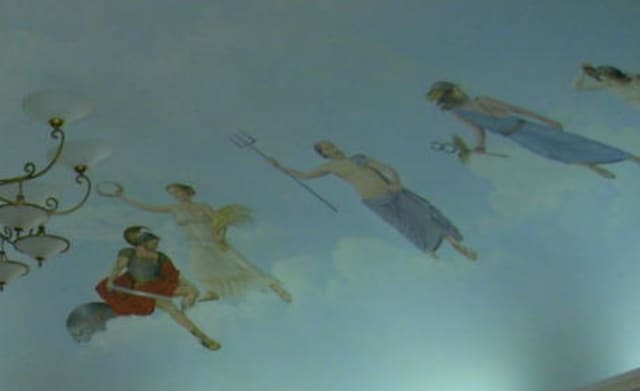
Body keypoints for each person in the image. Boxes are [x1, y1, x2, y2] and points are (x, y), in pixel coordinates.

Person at [279, 141, 476, 259]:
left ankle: (453, 242)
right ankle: (428, 250)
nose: (333, 148)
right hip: (372, 200)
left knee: (423, 212)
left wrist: (396, 182)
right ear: (324, 154)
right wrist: (280, 166)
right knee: (403, 224)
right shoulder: (330, 167)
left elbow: (386, 168)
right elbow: (304, 176)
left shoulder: (358, 158)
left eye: (332, 145)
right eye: (327, 148)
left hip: (392, 191)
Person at [100, 181, 291, 302]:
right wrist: (123, 197)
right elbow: (146, 207)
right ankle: (213, 291)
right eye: (172, 193)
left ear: (186, 192)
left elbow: (220, 221)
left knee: (242, 264)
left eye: (177, 192)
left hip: (213, 240)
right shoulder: (173, 208)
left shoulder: (202, 206)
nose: (175, 196)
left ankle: (276, 288)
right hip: (195, 244)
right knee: (199, 268)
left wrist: (221, 237)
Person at [427, 81, 638, 179]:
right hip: (516, 136)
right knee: (551, 152)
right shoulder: (459, 113)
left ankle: (627, 157)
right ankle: (592, 166)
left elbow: (517, 109)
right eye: (451, 94)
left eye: (453, 91)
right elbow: (478, 130)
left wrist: (546, 120)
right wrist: (480, 146)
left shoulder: (482, 100)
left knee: (573, 142)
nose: (457, 92)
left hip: (526, 126)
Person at [93, 226, 221, 350]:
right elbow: (119, 266)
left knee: (191, 291)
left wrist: (193, 288)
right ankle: (201, 336)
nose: (157, 244)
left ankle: (187, 308)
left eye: (156, 241)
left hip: (159, 286)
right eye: (153, 241)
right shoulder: (129, 253)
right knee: (171, 307)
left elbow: (175, 274)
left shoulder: (160, 257)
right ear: (142, 242)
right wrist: (111, 280)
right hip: (142, 290)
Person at [574, 64, 640, 107]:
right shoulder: (608, 84)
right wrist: (583, 73)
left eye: (607, 78)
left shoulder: (633, 78)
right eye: (603, 78)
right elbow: (578, 87)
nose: (605, 80)